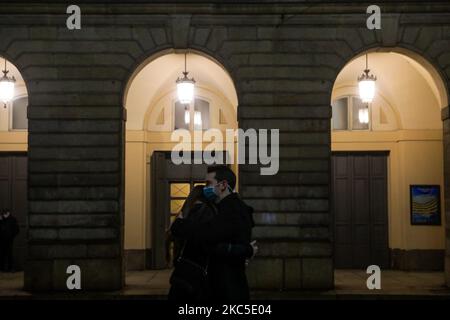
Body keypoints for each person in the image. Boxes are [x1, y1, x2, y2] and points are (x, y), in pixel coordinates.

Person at [171, 165, 255, 301]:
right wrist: (246, 250)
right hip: (228, 285)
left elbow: (207, 236)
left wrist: (179, 225)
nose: (205, 188)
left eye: (209, 183)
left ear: (223, 185)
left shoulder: (230, 210)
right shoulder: (230, 207)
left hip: (226, 287)